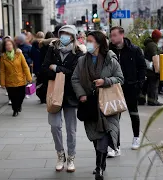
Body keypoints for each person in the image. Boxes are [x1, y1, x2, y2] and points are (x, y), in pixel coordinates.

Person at [71, 31, 124, 180]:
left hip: (108, 103)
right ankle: (101, 160)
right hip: (89, 104)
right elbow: (75, 79)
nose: (87, 43)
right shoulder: (82, 61)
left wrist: (105, 81)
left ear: (99, 43)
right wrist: (81, 94)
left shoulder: (110, 59)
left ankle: (99, 167)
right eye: (86, 40)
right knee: (95, 137)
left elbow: (120, 78)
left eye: (90, 41)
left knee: (104, 136)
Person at [42, 25, 83, 172]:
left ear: (73, 36)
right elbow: (45, 69)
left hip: (71, 95)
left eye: (67, 34)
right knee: (54, 126)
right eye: (62, 33)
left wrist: (56, 68)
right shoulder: (52, 49)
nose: (64, 36)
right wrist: (56, 71)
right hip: (54, 94)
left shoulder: (78, 52)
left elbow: (74, 73)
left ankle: (71, 157)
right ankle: (60, 154)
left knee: (71, 130)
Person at [109, 26, 146, 156]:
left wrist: (139, 85)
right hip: (115, 87)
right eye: (111, 35)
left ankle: (136, 137)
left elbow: (142, 68)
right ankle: (115, 146)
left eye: (114, 35)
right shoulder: (109, 50)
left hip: (131, 86)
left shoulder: (134, 50)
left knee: (133, 113)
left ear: (122, 35)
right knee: (114, 117)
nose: (112, 38)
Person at [0, 39, 32, 117]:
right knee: (12, 96)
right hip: (9, 81)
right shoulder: (3, 57)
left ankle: (19, 105)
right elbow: (2, 71)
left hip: (20, 79)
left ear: (13, 45)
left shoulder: (19, 54)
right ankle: (15, 109)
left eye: (10, 45)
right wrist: (2, 83)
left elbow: (25, 67)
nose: (8, 46)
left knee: (21, 95)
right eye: (6, 45)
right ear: (4, 47)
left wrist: (29, 78)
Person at [144, 29, 163, 106]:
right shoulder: (153, 45)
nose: (160, 39)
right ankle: (153, 101)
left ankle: (151, 100)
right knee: (154, 85)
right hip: (152, 69)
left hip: (149, 68)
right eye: (159, 37)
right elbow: (155, 58)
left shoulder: (150, 44)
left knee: (151, 84)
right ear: (156, 37)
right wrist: (157, 70)